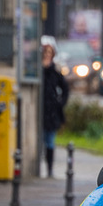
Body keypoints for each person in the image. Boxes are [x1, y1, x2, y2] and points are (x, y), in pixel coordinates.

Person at [41, 40, 69, 178]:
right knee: (40, 141)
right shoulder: (37, 70)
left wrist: (60, 103)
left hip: (51, 112)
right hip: (39, 111)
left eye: (49, 53)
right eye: (45, 52)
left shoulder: (54, 71)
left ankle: (49, 169)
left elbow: (65, 88)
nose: (47, 55)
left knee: (50, 142)